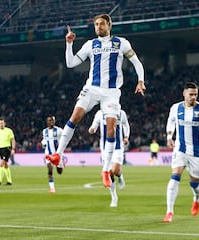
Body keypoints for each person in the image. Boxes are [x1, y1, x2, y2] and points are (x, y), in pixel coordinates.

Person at [46, 13, 145, 188]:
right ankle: (58, 155)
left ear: (109, 25)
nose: (98, 27)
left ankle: (106, 170)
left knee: (111, 128)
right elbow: (70, 63)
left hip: (111, 92)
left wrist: (140, 80)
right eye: (96, 24)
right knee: (74, 117)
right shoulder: (90, 45)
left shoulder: (121, 43)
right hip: (91, 88)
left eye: (101, 24)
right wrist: (69, 43)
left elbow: (136, 62)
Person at [163, 82, 199, 223]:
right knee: (175, 176)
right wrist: (169, 137)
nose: (193, 97)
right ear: (184, 94)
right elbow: (170, 122)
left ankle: (197, 197)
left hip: (197, 152)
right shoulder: (175, 108)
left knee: (194, 183)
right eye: (191, 94)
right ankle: (169, 212)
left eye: (195, 95)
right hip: (180, 149)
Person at [89, 109, 130, 207]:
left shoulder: (121, 113)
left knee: (115, 170)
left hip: (118, 147)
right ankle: (114, 198)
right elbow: (94, 125)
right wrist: (92, 129)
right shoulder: (99, 113)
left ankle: (120, 176)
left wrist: (126, 137)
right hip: (105, 149)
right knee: (108, 172)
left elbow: (126, 125)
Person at [41, 115, 63, 193]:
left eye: (52, 120)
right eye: (50, 120)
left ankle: (60, 165)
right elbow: (44, 140)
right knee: (50, 170)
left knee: (59, 171)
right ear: (47, 122)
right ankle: (52, 188)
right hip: (48, 154)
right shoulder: (44, 131)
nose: (51, 122)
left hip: (58, 154)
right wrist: (42, 143)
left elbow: (64, 139)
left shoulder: (59, 130)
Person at [0, 117, 16, 186]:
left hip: (7, 149)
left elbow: (12, 140)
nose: (1, 124)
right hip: (0, 149)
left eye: (2, 123)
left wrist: (13, 149)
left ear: (4, 124)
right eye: (0, 123)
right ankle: (9, 181)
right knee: (5, 165)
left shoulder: (9, 131)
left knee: (1, 164)